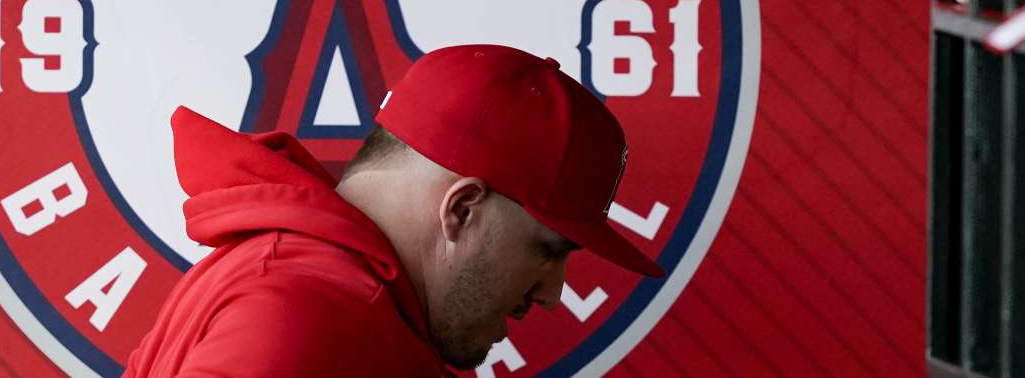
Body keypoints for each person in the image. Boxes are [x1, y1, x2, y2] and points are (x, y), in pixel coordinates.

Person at [123, 44, 664, 378]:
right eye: (546, 251)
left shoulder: (337, 296)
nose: (551, 293)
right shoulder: (312, 310)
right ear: (463, 208)